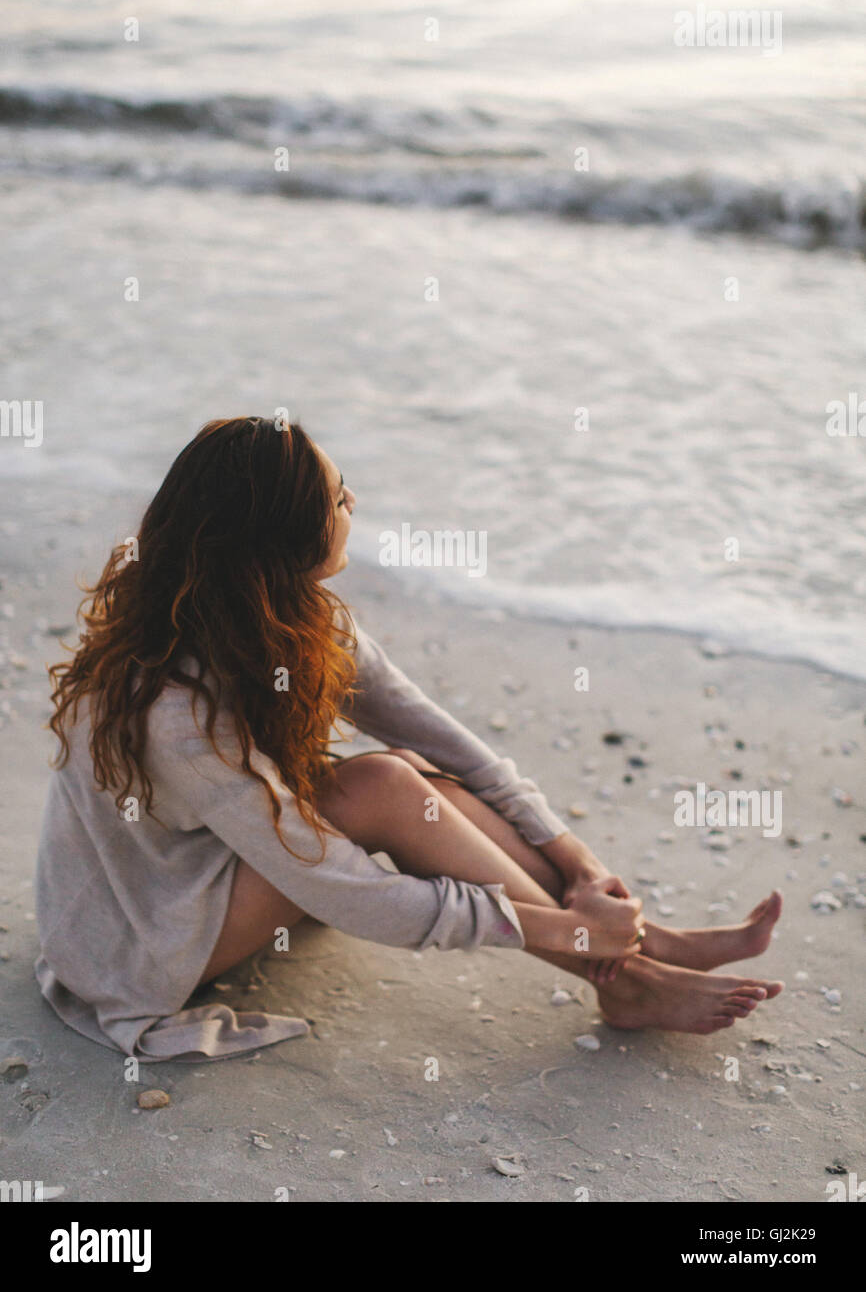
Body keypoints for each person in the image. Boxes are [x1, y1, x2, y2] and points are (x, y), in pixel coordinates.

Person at [35, 416, 783, 1062]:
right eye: (335, 497)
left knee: (418, 776)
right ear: (280, 538)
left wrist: (578, 862)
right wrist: (565, 930)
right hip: (140, 942)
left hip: (210, 872)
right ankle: (627, 973)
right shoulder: (174, 710)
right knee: (387, 787)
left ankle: (645, 946)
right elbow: (346, 890)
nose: (352, 502)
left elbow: (455, 748)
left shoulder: (297, 623)